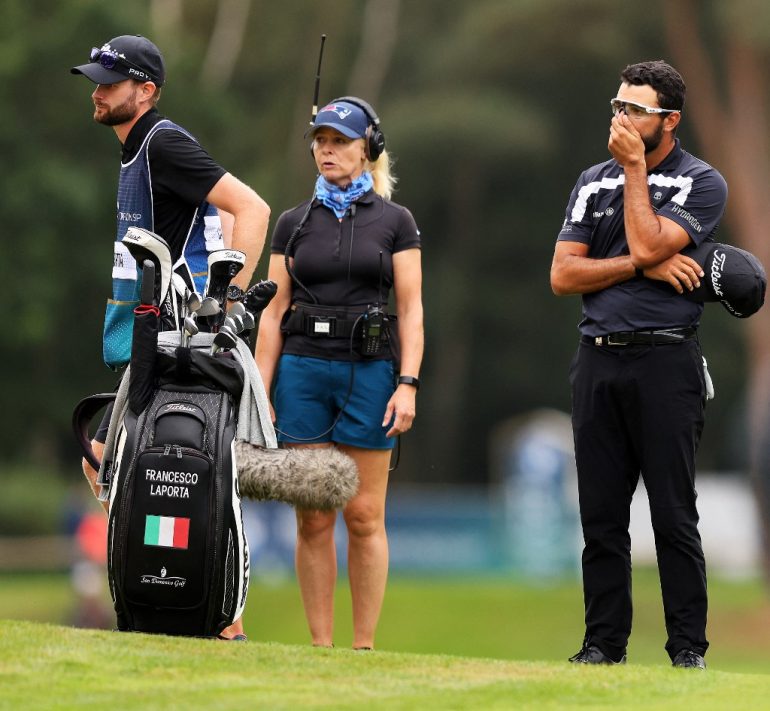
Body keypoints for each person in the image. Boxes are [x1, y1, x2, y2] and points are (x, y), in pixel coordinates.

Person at [71, 34, 270, 640]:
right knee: (110, 458)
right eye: (97, 81)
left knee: (181, 466)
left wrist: (224, 299)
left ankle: (222, 617)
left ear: (146, 91)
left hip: (176, 336)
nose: (98, 92)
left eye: (111, 82)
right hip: (148, 332)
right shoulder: (138, 149)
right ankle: (172, 592)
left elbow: (251, 209)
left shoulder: (163, 141)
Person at [550, 60, 728, 669]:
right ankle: (603, 645)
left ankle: (686, 650)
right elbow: (562, 275)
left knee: (673, 515)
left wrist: (633, 173)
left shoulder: (701, 182)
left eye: (635, 111)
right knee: (600, 517)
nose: (620, 119)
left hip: (666, 361)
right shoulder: (591, 180)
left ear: (669, 121)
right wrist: (639, 265)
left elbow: (653, 241)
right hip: (597, 360)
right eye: (617, 106)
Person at [255, 98, 424, 650]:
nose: (326, 149)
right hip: (303, 373)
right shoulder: (292, 223)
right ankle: (322, 650)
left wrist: (408, 383)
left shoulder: (396, 222)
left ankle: (364, 647)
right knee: (313, 518)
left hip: (371, 373)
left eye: (340, 140)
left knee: (364, 515)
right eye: (320, 140)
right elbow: (274, 311)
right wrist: (262, 387)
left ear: (368, 149)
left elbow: (412, 309)